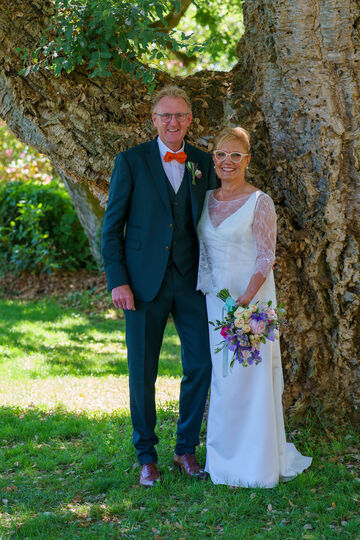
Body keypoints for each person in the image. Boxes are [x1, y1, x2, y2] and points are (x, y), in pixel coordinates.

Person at [101, 85, 217, 487]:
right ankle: (146, 455)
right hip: (142, 284)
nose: (173, 122)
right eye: (165, 115)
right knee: (142, 371)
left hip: (191, 282)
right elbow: (111, 228)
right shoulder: (130, 162)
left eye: (180, 115)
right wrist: (119, 281)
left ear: (189, 120)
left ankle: (186, 449)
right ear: (154, 120)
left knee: (201, 364)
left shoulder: (203, 162)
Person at [197, 126, 312, 487]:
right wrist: (211, 293)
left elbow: (266, 256)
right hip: (216, 301)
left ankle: (255, 465)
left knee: (250, 377)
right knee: (223, 379)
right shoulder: (205, 198)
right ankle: (222, 462)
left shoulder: (260, 201)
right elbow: (202, 251)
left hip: (251, 300)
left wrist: (244, 301)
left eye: (236, 155)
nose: (227, 162)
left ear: (247, 160)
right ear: (212, 159)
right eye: (221, 155)